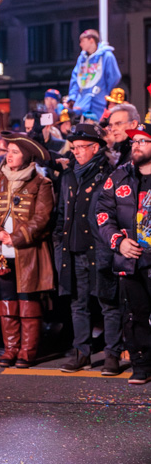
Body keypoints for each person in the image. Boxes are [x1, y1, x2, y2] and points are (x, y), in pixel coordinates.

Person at [0, 133, 54, 368]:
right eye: (8, 151)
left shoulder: (41, 183)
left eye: (15, 152)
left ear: (26, 156)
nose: (9, 155)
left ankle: (27, 351)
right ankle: (10, 349)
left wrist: (16, 237)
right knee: (6, 300)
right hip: (0, 252)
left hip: (29, 253)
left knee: (28, 301)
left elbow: (42, 218)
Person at [52, 123, 121, 373]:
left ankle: (112, 354)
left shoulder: (111, 173)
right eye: (74, 147)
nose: (76, 152)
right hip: (73, 249)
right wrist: (59, 241)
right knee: (77, 303)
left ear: (95, 147)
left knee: (108, 302)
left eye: (81, 147)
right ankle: (82, 352)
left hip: (100, 249)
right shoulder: (69, 175)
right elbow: (62, 212)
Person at [96, 120, 151, 385]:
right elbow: (103, 214)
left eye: (143, 141)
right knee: (134, 315)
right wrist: (118, 242)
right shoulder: (119, 176)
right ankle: (141, 365)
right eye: (134, 141)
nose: (136, 146)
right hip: (131, 259)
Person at [68, 29, 122, 120]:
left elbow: (114, 77)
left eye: (82, 41)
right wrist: (73, 97)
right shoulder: (81, 59)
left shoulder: (107, 56)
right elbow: (75, 79)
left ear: (91, 40)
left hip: (99, 104)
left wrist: (104, 92)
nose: (80, 44)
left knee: (96, 129)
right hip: (81, 104)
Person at [105, 102, 140, 168]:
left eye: (118, 124)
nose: (113, 129)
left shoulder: (142, 151)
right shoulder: (122, 149)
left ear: (133, 124)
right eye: (111, 125)